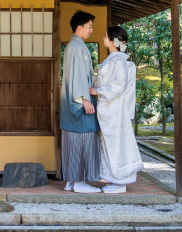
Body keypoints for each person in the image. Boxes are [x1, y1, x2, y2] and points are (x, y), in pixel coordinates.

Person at [89, 26, 144, 194]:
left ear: (113, 42)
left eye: (105, 36)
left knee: (117, 145)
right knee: (109, 145)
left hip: (115, 111)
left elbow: (118, 86)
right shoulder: (114, 60)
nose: (103, 38)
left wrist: (98, 91)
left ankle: (121, 182)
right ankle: (114, 180)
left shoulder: (119, 62)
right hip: (110, 109)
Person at [60, 10, 101, 193]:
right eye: (90, 26)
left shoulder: (74, 46)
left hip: (74, 101)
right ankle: (79, 182)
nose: (92, 30)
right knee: (82, 140)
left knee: (73, 141)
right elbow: (77, 77)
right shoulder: (77, 47)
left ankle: (71, 180)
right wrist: (85, 99)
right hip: (79, 102)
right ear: (79, 27)